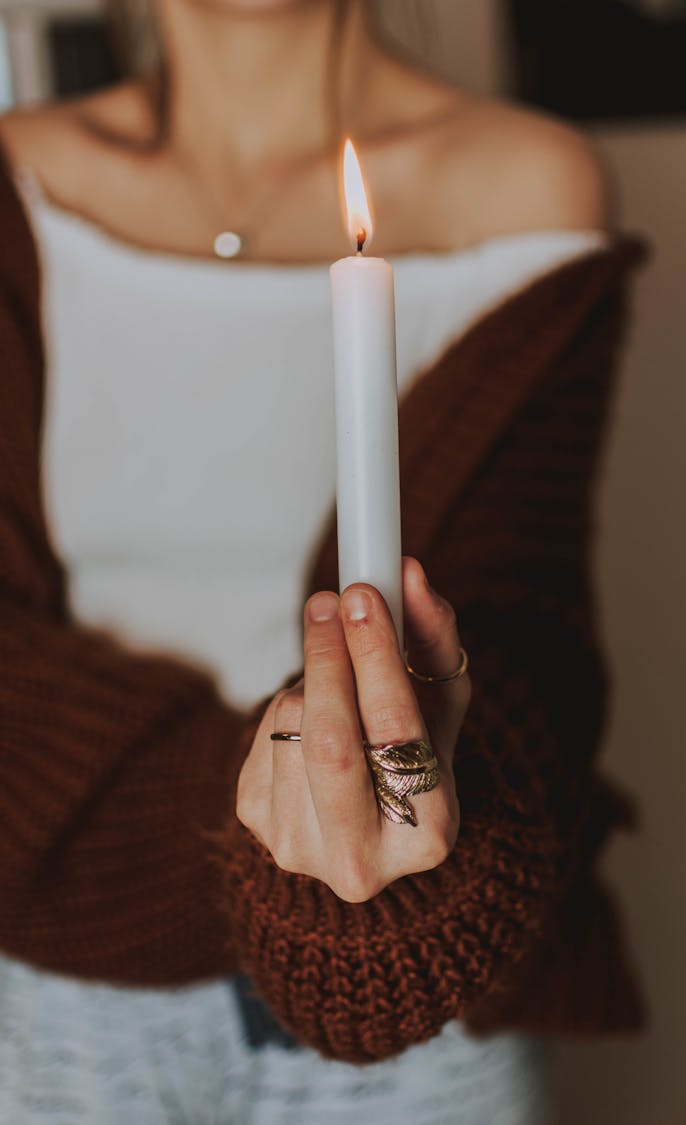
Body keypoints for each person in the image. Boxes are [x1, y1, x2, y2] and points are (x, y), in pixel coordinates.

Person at [0, 0, 646, 1121]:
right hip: (57, 976)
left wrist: (435, 774)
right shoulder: (21, 179)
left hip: (427, 988)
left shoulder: (528, 181)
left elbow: (528, 640)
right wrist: (265, 801)